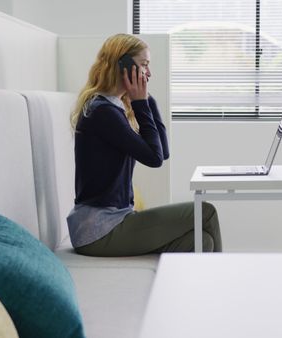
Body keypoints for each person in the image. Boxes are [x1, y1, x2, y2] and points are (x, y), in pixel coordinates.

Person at [67, 33, 222, 256]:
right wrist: (140, 102)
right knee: (205, 212)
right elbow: (154, 158)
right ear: (124, 66)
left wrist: (147, 100)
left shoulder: (114, 108)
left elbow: (163, 152)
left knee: (201, 242)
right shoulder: (101, 111)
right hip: (98, 230)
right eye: (144, 65)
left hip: (114, 221)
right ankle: (224, 285)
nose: (149, 73)